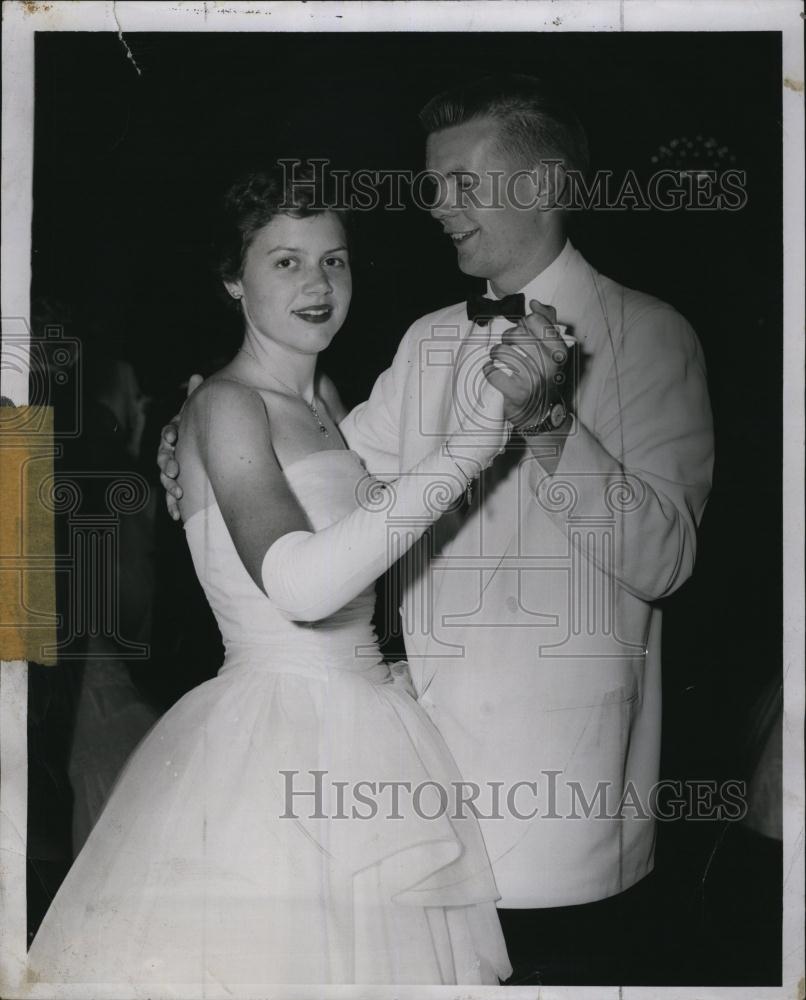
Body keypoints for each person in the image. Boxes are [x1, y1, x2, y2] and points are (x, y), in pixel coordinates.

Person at [159, 75, 714, 983]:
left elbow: (667, 561)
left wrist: (548, 426)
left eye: (461, 184)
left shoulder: (650, 334)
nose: (435, 208)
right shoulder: (424, 340)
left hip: (560, 805)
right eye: (431, 185)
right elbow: (336, 474)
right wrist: (203, 446)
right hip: (415, 784)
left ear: (541, 187)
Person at [26, 167, 513, 986]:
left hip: (367, 720)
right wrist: (475, 443)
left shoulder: (326, 396)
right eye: (285, 261)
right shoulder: (225, 405)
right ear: (231, 278)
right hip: (278, 733)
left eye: (335, 259)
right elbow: (298, 585)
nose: (319, 283)